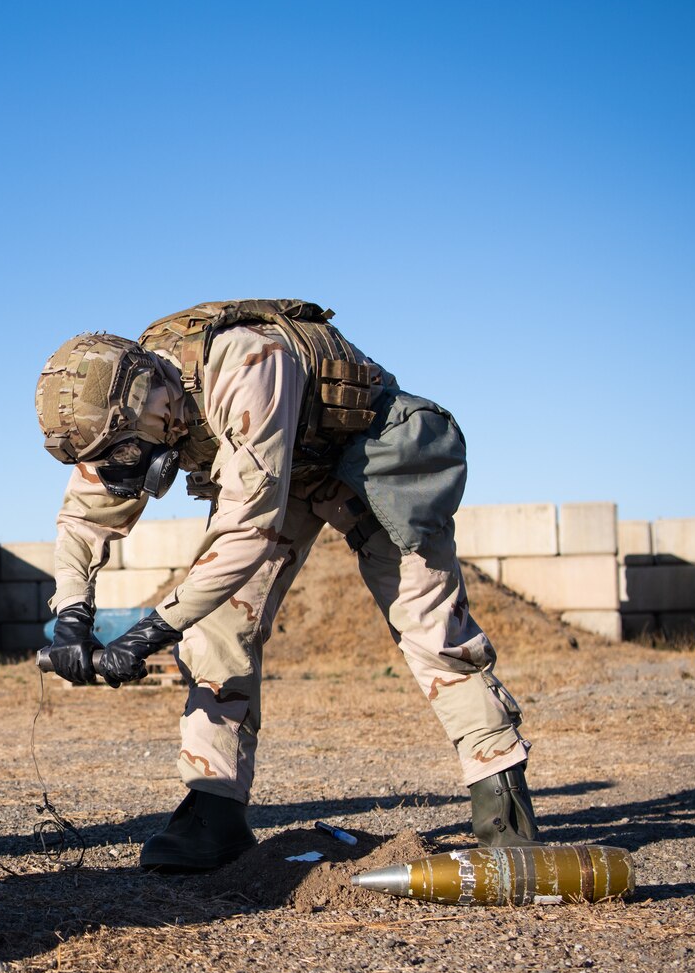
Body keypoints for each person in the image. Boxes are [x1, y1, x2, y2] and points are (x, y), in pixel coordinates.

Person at [35, 299, 539, 873]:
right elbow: (81, 519)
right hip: (286, 475)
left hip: (369, 455)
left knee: (429, 624)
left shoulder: (247, 361)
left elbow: (249, 527)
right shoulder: (126, 409)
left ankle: (502, 800)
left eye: (126, 447)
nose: (127, 464)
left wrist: (149, 632)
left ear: (151, 396)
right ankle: (213, 812)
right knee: (216, 627)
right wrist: (74, 612)